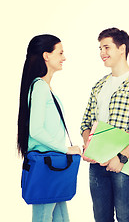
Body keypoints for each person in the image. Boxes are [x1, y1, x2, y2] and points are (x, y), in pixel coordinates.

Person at [80, 28, 129, 222]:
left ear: (122, 49)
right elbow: (86, 122)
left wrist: (121, 158)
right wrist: (89, 148)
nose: (102, 53)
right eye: (100, 48)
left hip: (124, 163)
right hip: (97, 164)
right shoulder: (99, 85)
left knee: (125, 215)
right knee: (101, 217)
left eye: (107, 47)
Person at [17, 34, 81, 221]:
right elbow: (36, 131)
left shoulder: (44, 86)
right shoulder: (40, 87)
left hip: (53, 165)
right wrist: (66, 149)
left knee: (61, 218)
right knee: (44, 217)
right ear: (46, 56)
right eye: (60, 53)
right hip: (47, 165)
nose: (64, 57)